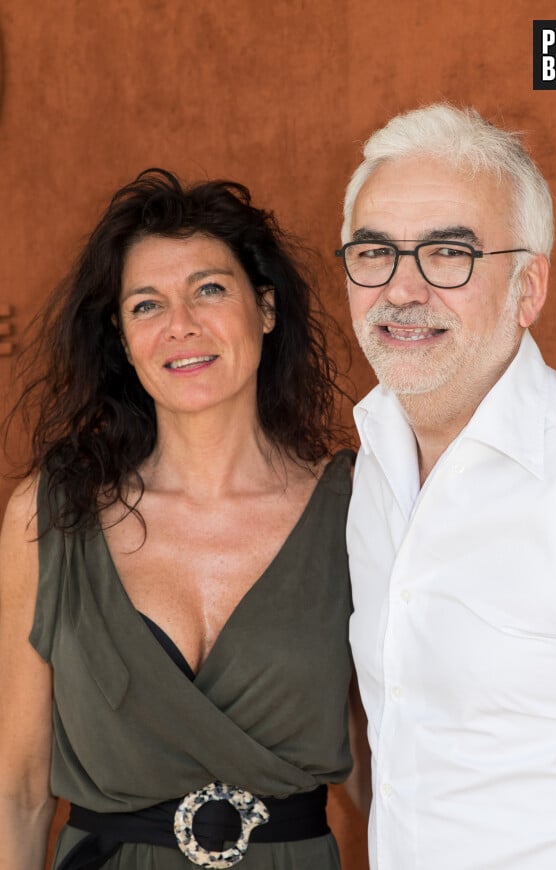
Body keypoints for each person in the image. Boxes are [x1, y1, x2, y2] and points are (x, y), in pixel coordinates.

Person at [0, 169, 357, 870]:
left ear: (266, 308)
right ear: (122, 339)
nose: (180, 325)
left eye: (210, 289)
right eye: (146, 305)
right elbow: (16, 791)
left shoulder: (354, 508)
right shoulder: (47, 520)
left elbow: (391, 769)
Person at [336, 103, 556, 870]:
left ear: (528, 287)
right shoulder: (367, 466)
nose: (402, 289)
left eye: (448, 253)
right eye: (374, 252)